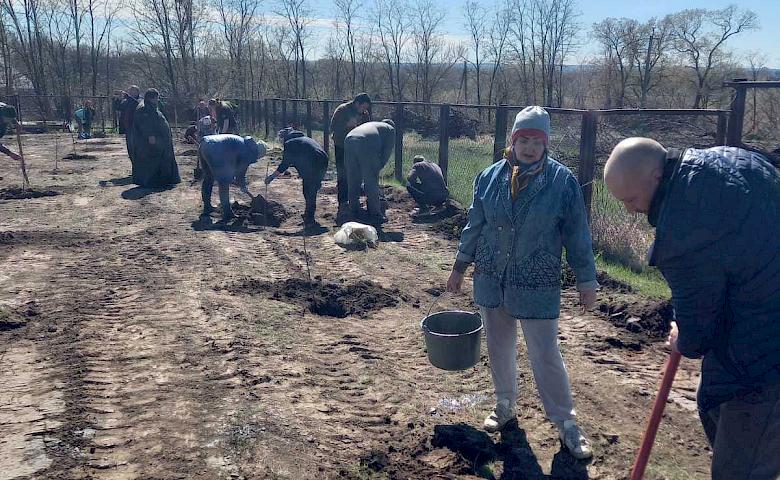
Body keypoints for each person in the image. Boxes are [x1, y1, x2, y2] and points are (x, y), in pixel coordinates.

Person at [604, 138, 780, 479]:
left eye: (631, 200)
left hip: (764, 358)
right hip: (753, 321)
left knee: (740, 467)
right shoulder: (730, 160)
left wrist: (683, 337)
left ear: (656, 176)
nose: (629, 210)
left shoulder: (681, 230)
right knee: (713, 406)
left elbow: (698, 334)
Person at [445, 106, 597, 460]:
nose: (529, 147)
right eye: (523, 140)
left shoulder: (562, 182)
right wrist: (459, 266)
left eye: (536, 141)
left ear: (545, 144)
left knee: (545, 354)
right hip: (492, 278)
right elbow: (474, 225)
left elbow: (577, 235)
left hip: (537, 282)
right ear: (513, 141)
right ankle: (505, 404)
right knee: (499, 347)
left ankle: (566, 424)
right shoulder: (488, 177)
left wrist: (586, 280)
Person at [265, 127, 328, 227]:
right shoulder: (305, 140)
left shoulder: (290, 144)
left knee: (308, 191)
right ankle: (308, 215)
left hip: (313, 161)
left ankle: (310, 220)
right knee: (312, 189)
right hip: (323, 159)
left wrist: (271, 177)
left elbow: (284, 164)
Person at [199, 134, 267, 221]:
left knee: (209, 178)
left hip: (205, 144)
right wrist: (243, 185)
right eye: (260, 157)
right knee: (224, 181)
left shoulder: (244, 144)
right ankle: (227, 212)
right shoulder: (249, 153)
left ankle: (207, 207)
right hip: (215, 149)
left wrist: (240, 182)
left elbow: (237, 168)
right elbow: (240, 174)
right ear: (258, 153)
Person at [344, 118, 395, 226]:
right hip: (366, 142)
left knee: (353, 178)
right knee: (370, 181)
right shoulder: (390, 129)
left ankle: (353, 209)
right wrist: (379, 165)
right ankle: (375, 213)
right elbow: (387, 151)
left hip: (349, 139)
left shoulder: (373, 125)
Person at [130, 88, 181, 187]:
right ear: (150, 98)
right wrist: (150, 136)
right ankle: (151, 181)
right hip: (151, 141)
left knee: (163, 158)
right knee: (152, 160)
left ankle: (164, 179)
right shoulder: (143, 109)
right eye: (156, 98)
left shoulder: (153, 106)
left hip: (161, 140)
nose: (157, 100)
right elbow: (145, 125)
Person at [330, 93, 372, 211]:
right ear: (357, 103)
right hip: (341, 146)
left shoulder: (364, 114)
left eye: (366, 108)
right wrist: (346, 125)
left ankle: (355, 199)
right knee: (343, 173)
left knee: (357, 173)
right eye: (363, 107)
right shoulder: (342, 110)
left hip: (357, 148)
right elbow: (333, 127)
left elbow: (368, 129)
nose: (364, 110)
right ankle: (343, 201)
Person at [113, 85, 141, 175]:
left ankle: (140, 168)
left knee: (138, 149)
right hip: (128, 128)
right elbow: (118, 107)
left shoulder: (140, 100)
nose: (130, 92)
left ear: (137, 92)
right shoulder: (126, 101)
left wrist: (128, 97)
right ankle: (135, 168)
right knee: (130, 149)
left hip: (137, 128)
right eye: (130, 90)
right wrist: (116, 99)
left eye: (132, 91)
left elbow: (137, 104)